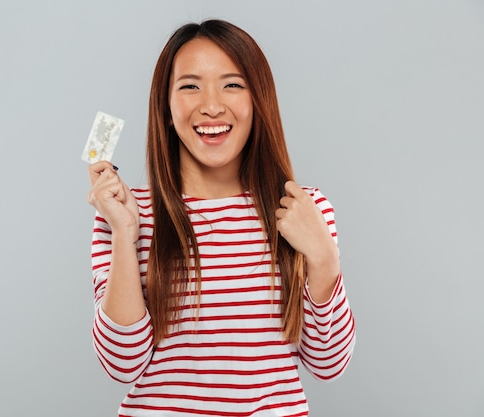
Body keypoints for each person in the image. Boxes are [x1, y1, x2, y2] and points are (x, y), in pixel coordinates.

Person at [86, 19, 355, 417]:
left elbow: (329, 364)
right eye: (190, 86)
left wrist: (324, 258)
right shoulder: (128, 213)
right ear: (166, 105)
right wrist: (125, 233)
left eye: (232, 84)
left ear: (258, 100)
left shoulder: (305, 212)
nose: (211, 105)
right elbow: (121, 365)